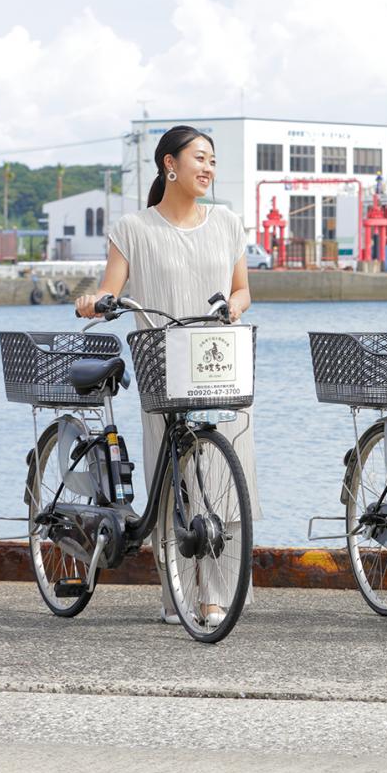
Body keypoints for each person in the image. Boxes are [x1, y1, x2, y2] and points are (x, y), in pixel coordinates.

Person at [76, 124, 259, 627]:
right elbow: (111, 289)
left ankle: (216, 592)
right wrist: (95, 302)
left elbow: (242, 290)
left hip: (218, 360)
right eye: (199, 158)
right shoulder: (133, 228)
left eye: (214, 160)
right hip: (163, 363)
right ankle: (176, 590)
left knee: (225, 473)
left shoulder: (227, 223)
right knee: (170, 474)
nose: (208, 168)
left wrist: (233, 309)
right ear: (169, 165)